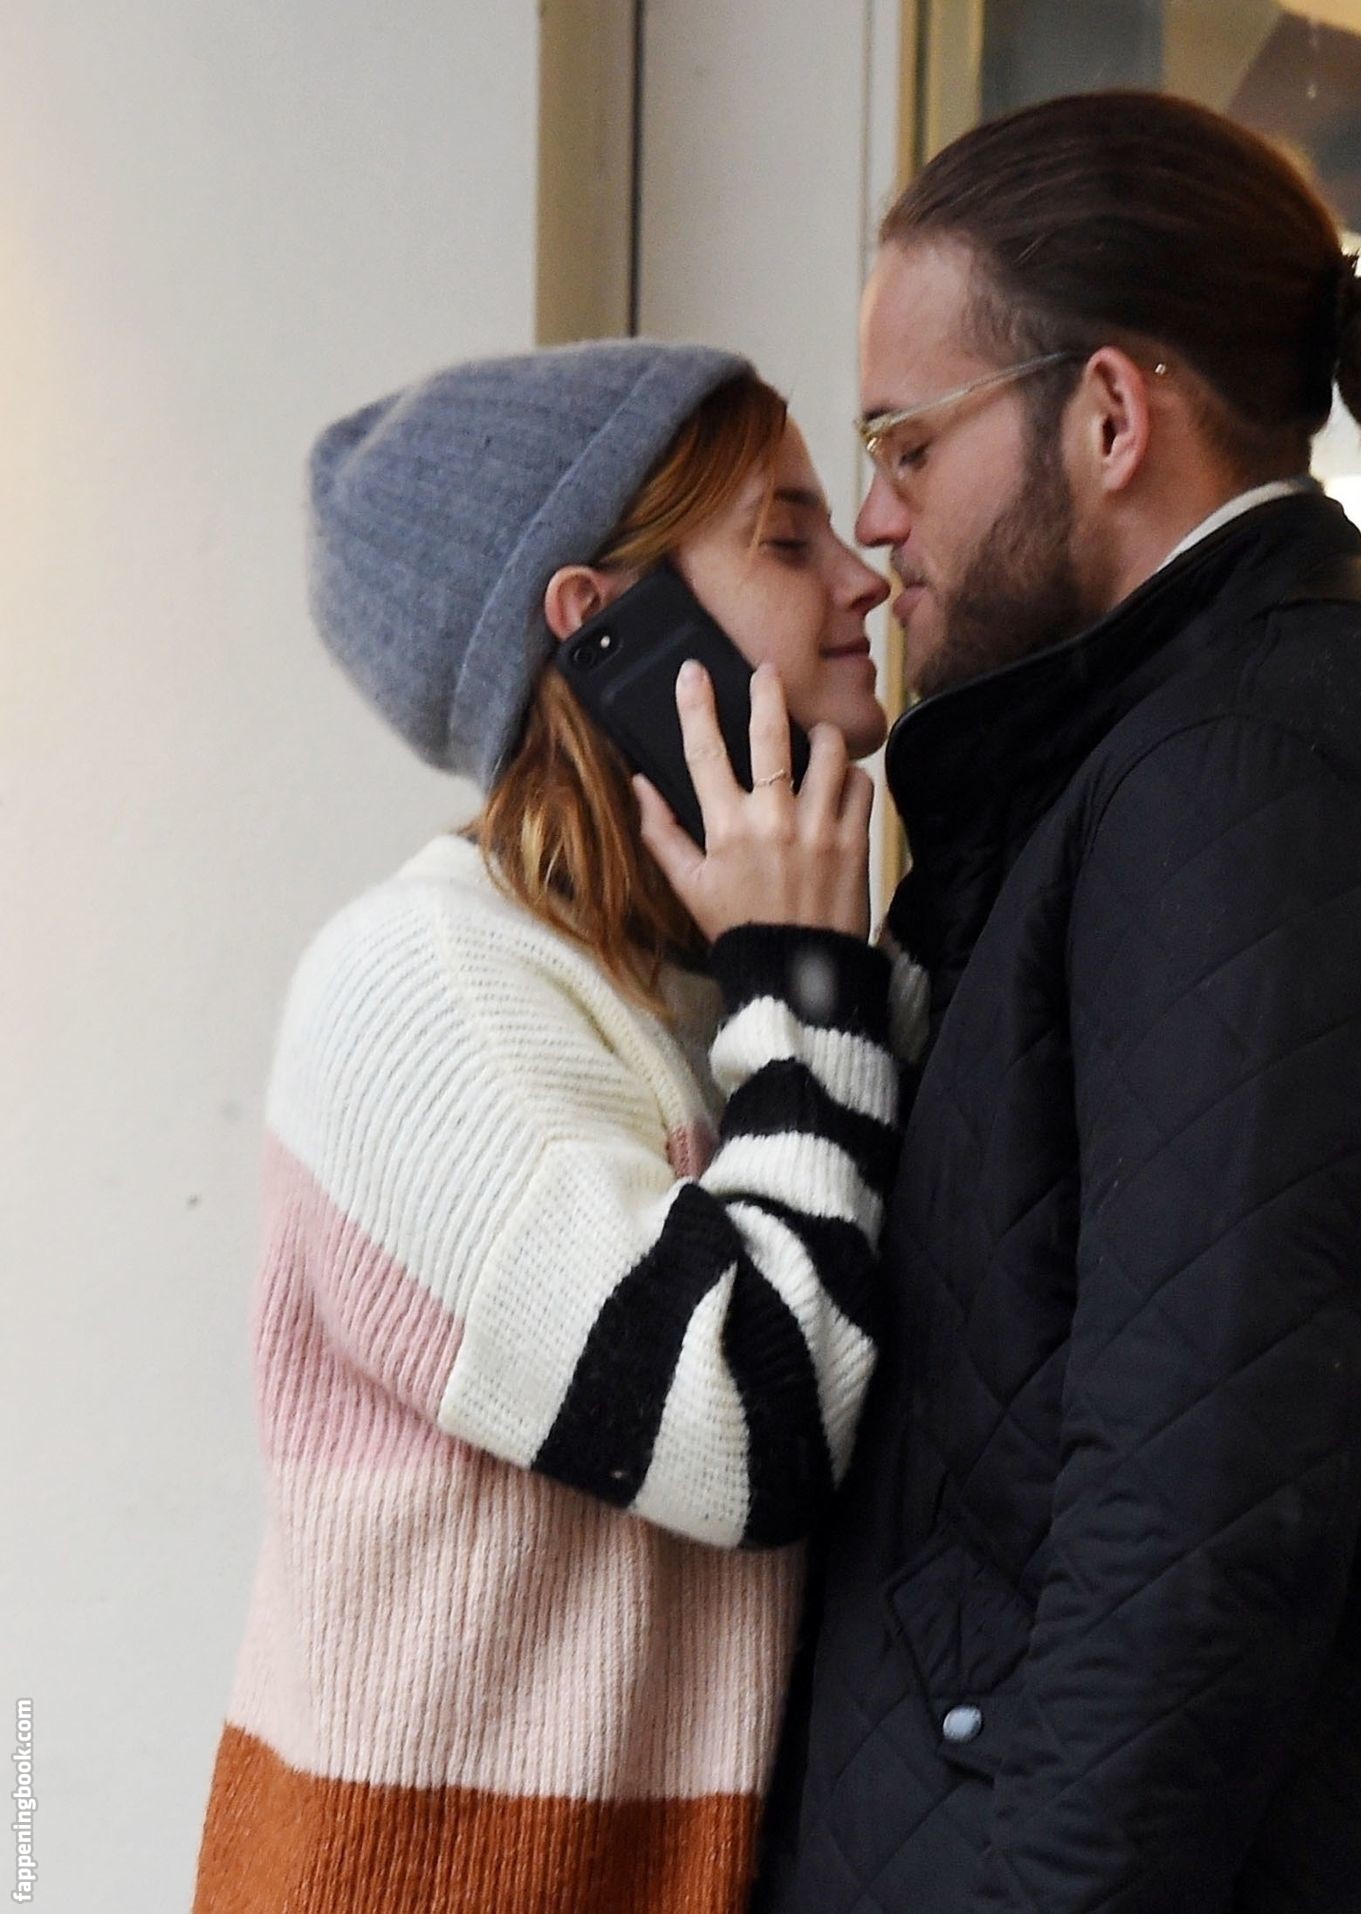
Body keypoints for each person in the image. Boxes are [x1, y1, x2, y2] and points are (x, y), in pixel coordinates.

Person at [745, 91, 1361, 1914]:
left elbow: (1191, 1538)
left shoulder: (1248, 783)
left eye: (907, 443)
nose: (878, 519)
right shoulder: (1181, 759)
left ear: (1107, 415)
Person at [191, 339, 904, 1914]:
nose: (866, 577)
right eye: (787, 539)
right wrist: (808, 972)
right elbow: (749, 1430)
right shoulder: (421, 989)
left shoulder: (710, 991)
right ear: (602, 626)